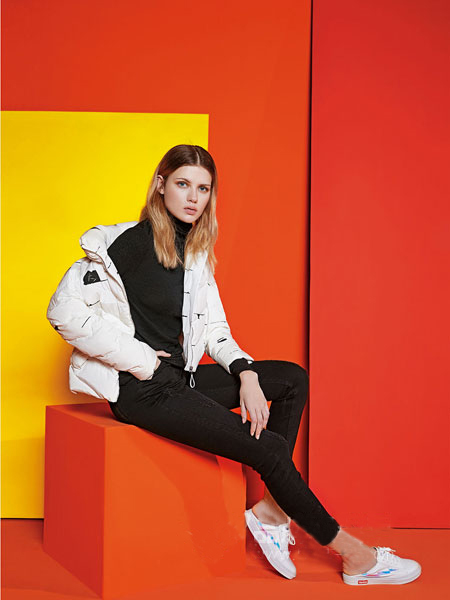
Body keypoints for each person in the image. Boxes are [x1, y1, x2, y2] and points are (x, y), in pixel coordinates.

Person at [47, 144, 421, 586]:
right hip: (143, 390)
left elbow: (214, 329)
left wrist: (245, 373)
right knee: (270, 450)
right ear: (161, 185)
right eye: (183, 184)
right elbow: (63, 311)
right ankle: (355, 556)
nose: (193, 197)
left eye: (203, 189)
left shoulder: (194, 250)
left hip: (181, 379)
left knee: (290, 379)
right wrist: (140, 358)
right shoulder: (125, 244)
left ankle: (271, 513)